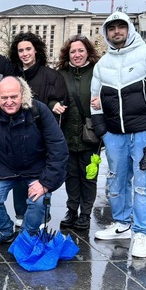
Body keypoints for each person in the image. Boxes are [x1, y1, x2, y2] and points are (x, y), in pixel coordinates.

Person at [90, 12, 146, 258]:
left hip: (142, 133)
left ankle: (141, 232)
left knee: (144, 184)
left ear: (129, 29)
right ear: (106, 33)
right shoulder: (102, 64)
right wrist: (102, 132)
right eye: (111, 28)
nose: (116, 32)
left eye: (121, 27)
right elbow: (94, 102)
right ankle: (121, 224)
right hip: (114, 134)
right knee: (115, 181)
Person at [0, 77, 67, 247]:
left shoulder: (38, 110)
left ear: (22, 95)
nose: (9, 102)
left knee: (40, 199)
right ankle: (5, 231)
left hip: (35, 169)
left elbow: (58, 148)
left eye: (14, 97)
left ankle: (27, 235)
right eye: (4, 98)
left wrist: (45, 182)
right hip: (3, 168)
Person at [8, 32, 68, 227]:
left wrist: (55, 104)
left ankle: (42, 214)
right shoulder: (12, 76)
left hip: (40, 136)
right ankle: (20, 214)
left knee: (40, 178)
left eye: (28, 49)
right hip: (16, 134)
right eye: (20, 50)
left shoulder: (51, 75)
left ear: (36, 51)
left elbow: (59, 99)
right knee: (18, 177)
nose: (24, 53)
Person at [56, 35, 102, 231]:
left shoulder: (97, 72)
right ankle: (72, 210)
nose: (77, 55)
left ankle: (85, 213)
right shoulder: (61, 74)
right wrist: (54, 105)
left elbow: (110, 95)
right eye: (73, 51)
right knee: (71, 176)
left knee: (89, 176)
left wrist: (102, 101)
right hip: (67, 135)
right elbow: (52, 97)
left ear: (88, 52)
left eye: (81, 51)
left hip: (90, 136)